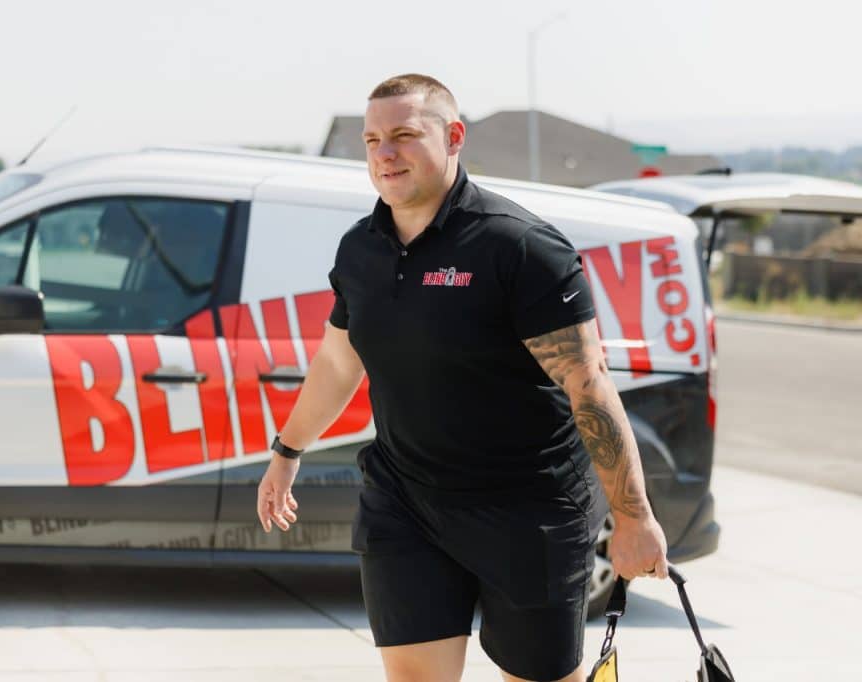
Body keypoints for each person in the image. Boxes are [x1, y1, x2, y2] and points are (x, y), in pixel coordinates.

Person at [256, 73, 668, 682]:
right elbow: (340, 361)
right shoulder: (360, 251)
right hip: (406, 502)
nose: (384, 154)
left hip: (528, 511)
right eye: (372, 140)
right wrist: (287, 450)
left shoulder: (520, 248)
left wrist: (632, 517)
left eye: (403, 135)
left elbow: (589, 385)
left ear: (453, 137)